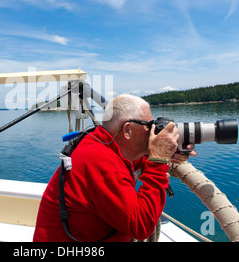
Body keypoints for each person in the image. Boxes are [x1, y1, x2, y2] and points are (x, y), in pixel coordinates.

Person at [33, 94, 197, 242]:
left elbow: (132, 161)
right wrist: (158, 161)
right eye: (149, 125)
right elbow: (141, 226)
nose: (153, 131)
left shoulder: (104, 142)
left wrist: (164, 154)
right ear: (127, 130)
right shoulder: (97, 160)